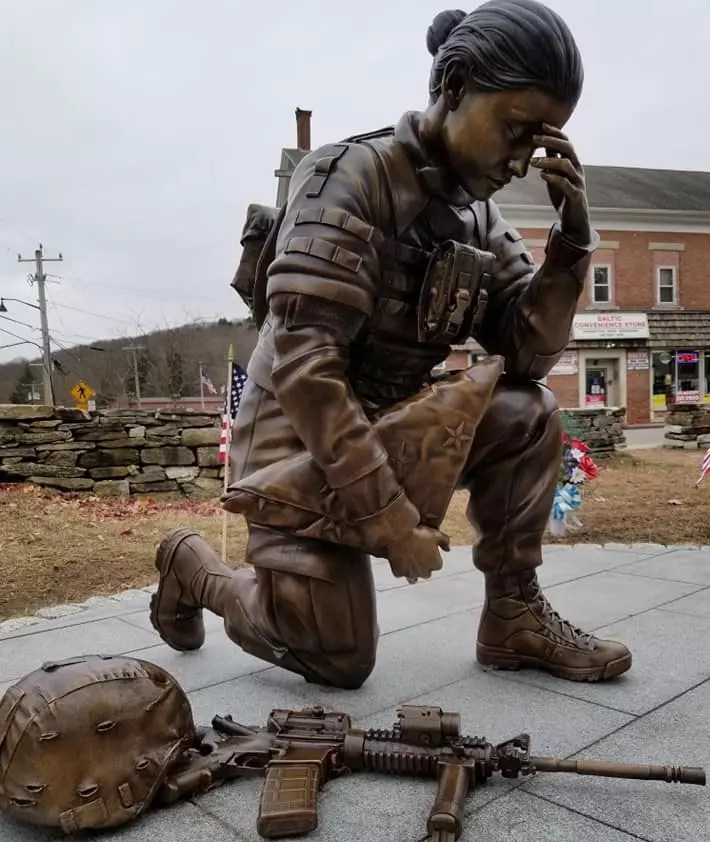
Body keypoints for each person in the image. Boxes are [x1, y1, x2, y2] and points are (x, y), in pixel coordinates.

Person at [150, 0, 632, 689]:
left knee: (528, 413)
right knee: (336, 655)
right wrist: (388, 519)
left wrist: (571, 248)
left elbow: (527, 357)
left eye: (542, 143)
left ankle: (513, 617)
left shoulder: (478, 215)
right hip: (298, 438)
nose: (523, 161)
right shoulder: (347, 177)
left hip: (390, 425)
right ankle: (194, 567)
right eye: (517, 131)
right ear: (456, 85)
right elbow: (306, 371)